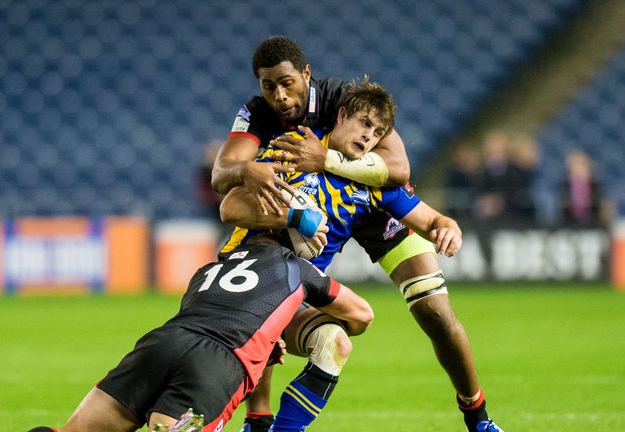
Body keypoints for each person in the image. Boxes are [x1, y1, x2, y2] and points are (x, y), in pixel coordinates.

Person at [212, 36, 502, 432]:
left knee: (433, 308)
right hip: (296, 214)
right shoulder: (273, 131)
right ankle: (258, 421)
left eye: (288, 83)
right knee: (272, 304)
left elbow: (400, 171)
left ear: (307, 76)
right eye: (270, 86)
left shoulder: (344, 101)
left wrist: (445, 225)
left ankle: (477, 416)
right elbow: (223, 183)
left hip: (365, 196)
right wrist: (252, 173)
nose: (280, 96)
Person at [28, 230, 374, 432]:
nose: (320, 237)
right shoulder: (297, 268)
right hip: (216, 364)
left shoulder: (209, 269)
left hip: (162, 343)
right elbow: (362, 315)